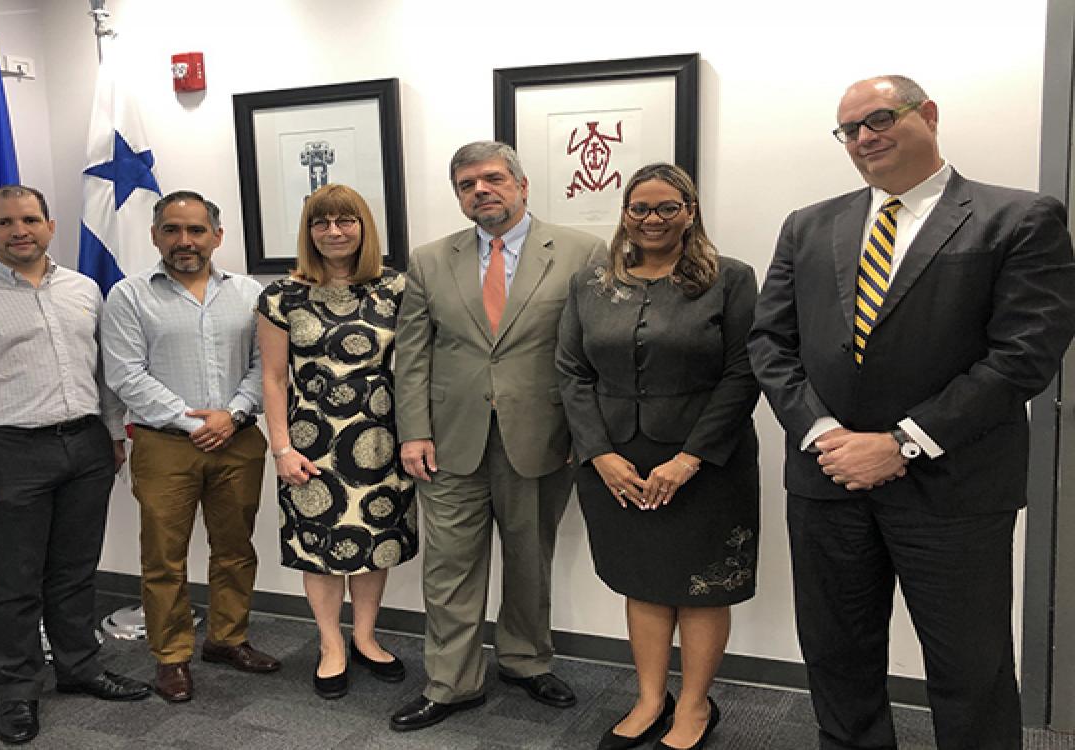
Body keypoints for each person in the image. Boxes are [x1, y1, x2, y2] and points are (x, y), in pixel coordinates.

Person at [748, 75, 1075, 749]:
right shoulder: (808, 225)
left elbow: (1022, 357)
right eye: (849, 130)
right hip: (826, 482)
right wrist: (822, 432)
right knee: (838, 663)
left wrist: (902, 443)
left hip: (953, 490)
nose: (864, 138)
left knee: (969, 671)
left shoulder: (1017, 218)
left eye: (878, 119)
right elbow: (770, 343)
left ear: (926, 114)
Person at [0, 185, 151, 744]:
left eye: (29, 219)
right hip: (8, 453)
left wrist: (113, 434)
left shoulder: (83, 289)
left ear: (49, 225)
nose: (18, 230)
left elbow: (103, 370)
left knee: (74, 571)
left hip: (85, 445)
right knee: (15, 580)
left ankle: (79, 668)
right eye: (4, 223)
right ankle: (18, 691)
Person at [391, 141, 606, 731]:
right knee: (450, 568)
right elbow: (411, 355)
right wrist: (413, 431)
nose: (479, 191)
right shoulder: (431, 259)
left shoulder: (582, 252)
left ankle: (525, 661)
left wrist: (584, 433)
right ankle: (451, 682)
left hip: (544, 436)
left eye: (491, 179)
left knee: (530, 559)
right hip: (449, 439)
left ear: (522, 184)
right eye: (466, 184)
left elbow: (593, 352)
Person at [556, 163, 759, 750]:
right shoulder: (590, 283)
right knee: (642, 582)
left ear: (690, 212)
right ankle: (650, 699)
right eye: (639, 208)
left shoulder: (731, 280)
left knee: (701, 588)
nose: (652, 219)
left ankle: (694, 706)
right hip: (616, 460)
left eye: (667, 207)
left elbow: (745, 373)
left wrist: (690, 459)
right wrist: (598, 454)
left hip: (706, 462)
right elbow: (571, 371)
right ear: (625, 214)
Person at [102, 190, 277, 704]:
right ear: (155, 235)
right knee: (164, 558)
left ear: (217, 236)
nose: (185, 241)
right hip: (164, 446)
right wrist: (191, 421)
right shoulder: (129, 295)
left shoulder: (249, 293)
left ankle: (227, 639)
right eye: (172, 230)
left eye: (196, 230)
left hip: (238, 440)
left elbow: (263, 366)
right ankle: (172, 657)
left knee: (235, 549)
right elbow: (125, 375)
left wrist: (235, 414)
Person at [255, 184, 417, 700]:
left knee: (374, 543)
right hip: (310, 443)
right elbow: (275, 379)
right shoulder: (282, 296)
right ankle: (331, 644)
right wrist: (280, 447)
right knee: (319, 548)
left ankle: (366, 637)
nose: (333, 232)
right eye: (321, 223)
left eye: (345, 221)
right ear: (308, 233)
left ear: (363, 227)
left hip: (380, 442)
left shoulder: (396, 289)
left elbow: (414, 369)